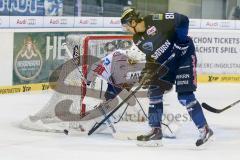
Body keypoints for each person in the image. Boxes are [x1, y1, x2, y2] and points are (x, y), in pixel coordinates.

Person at [121, 8, 213, 147]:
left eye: (127, 26)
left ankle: (204, 129)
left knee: (185, 96)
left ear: (133, 21)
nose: (126, 29)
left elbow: (183, 19)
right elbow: (151, 55)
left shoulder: (155, 19)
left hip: (184, 57)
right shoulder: (137, 38)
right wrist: (147, 71)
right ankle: (155, 130)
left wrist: (181, 42)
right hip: (167, 64)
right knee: (154, 91)